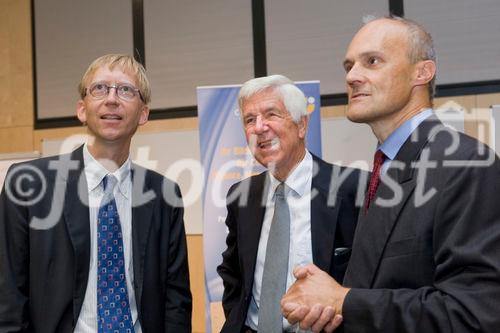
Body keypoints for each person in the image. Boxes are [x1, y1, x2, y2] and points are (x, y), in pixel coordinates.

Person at [281, 16, 500, 333]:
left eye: (372, 61)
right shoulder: (387, 165)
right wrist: (326, 302)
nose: (353, 76)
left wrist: (343, 301)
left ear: (421, 73)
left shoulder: (466, 164)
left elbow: (473, 315)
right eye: (349, 66)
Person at [0, 54, 192, 332]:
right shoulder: (28, 184)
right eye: (100, 88)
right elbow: (8, 294)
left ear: (143, 114)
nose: (112, 99)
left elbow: (177, 300)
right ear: (82, 109)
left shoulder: (163, 194)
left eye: (125, 90)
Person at [217, 75, 365, 333]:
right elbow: (234, 275)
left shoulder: (354, 189)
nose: (259, 128)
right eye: (249, 120)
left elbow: (368, 279)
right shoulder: (241, 196)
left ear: (301, 125)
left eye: (271, 114)